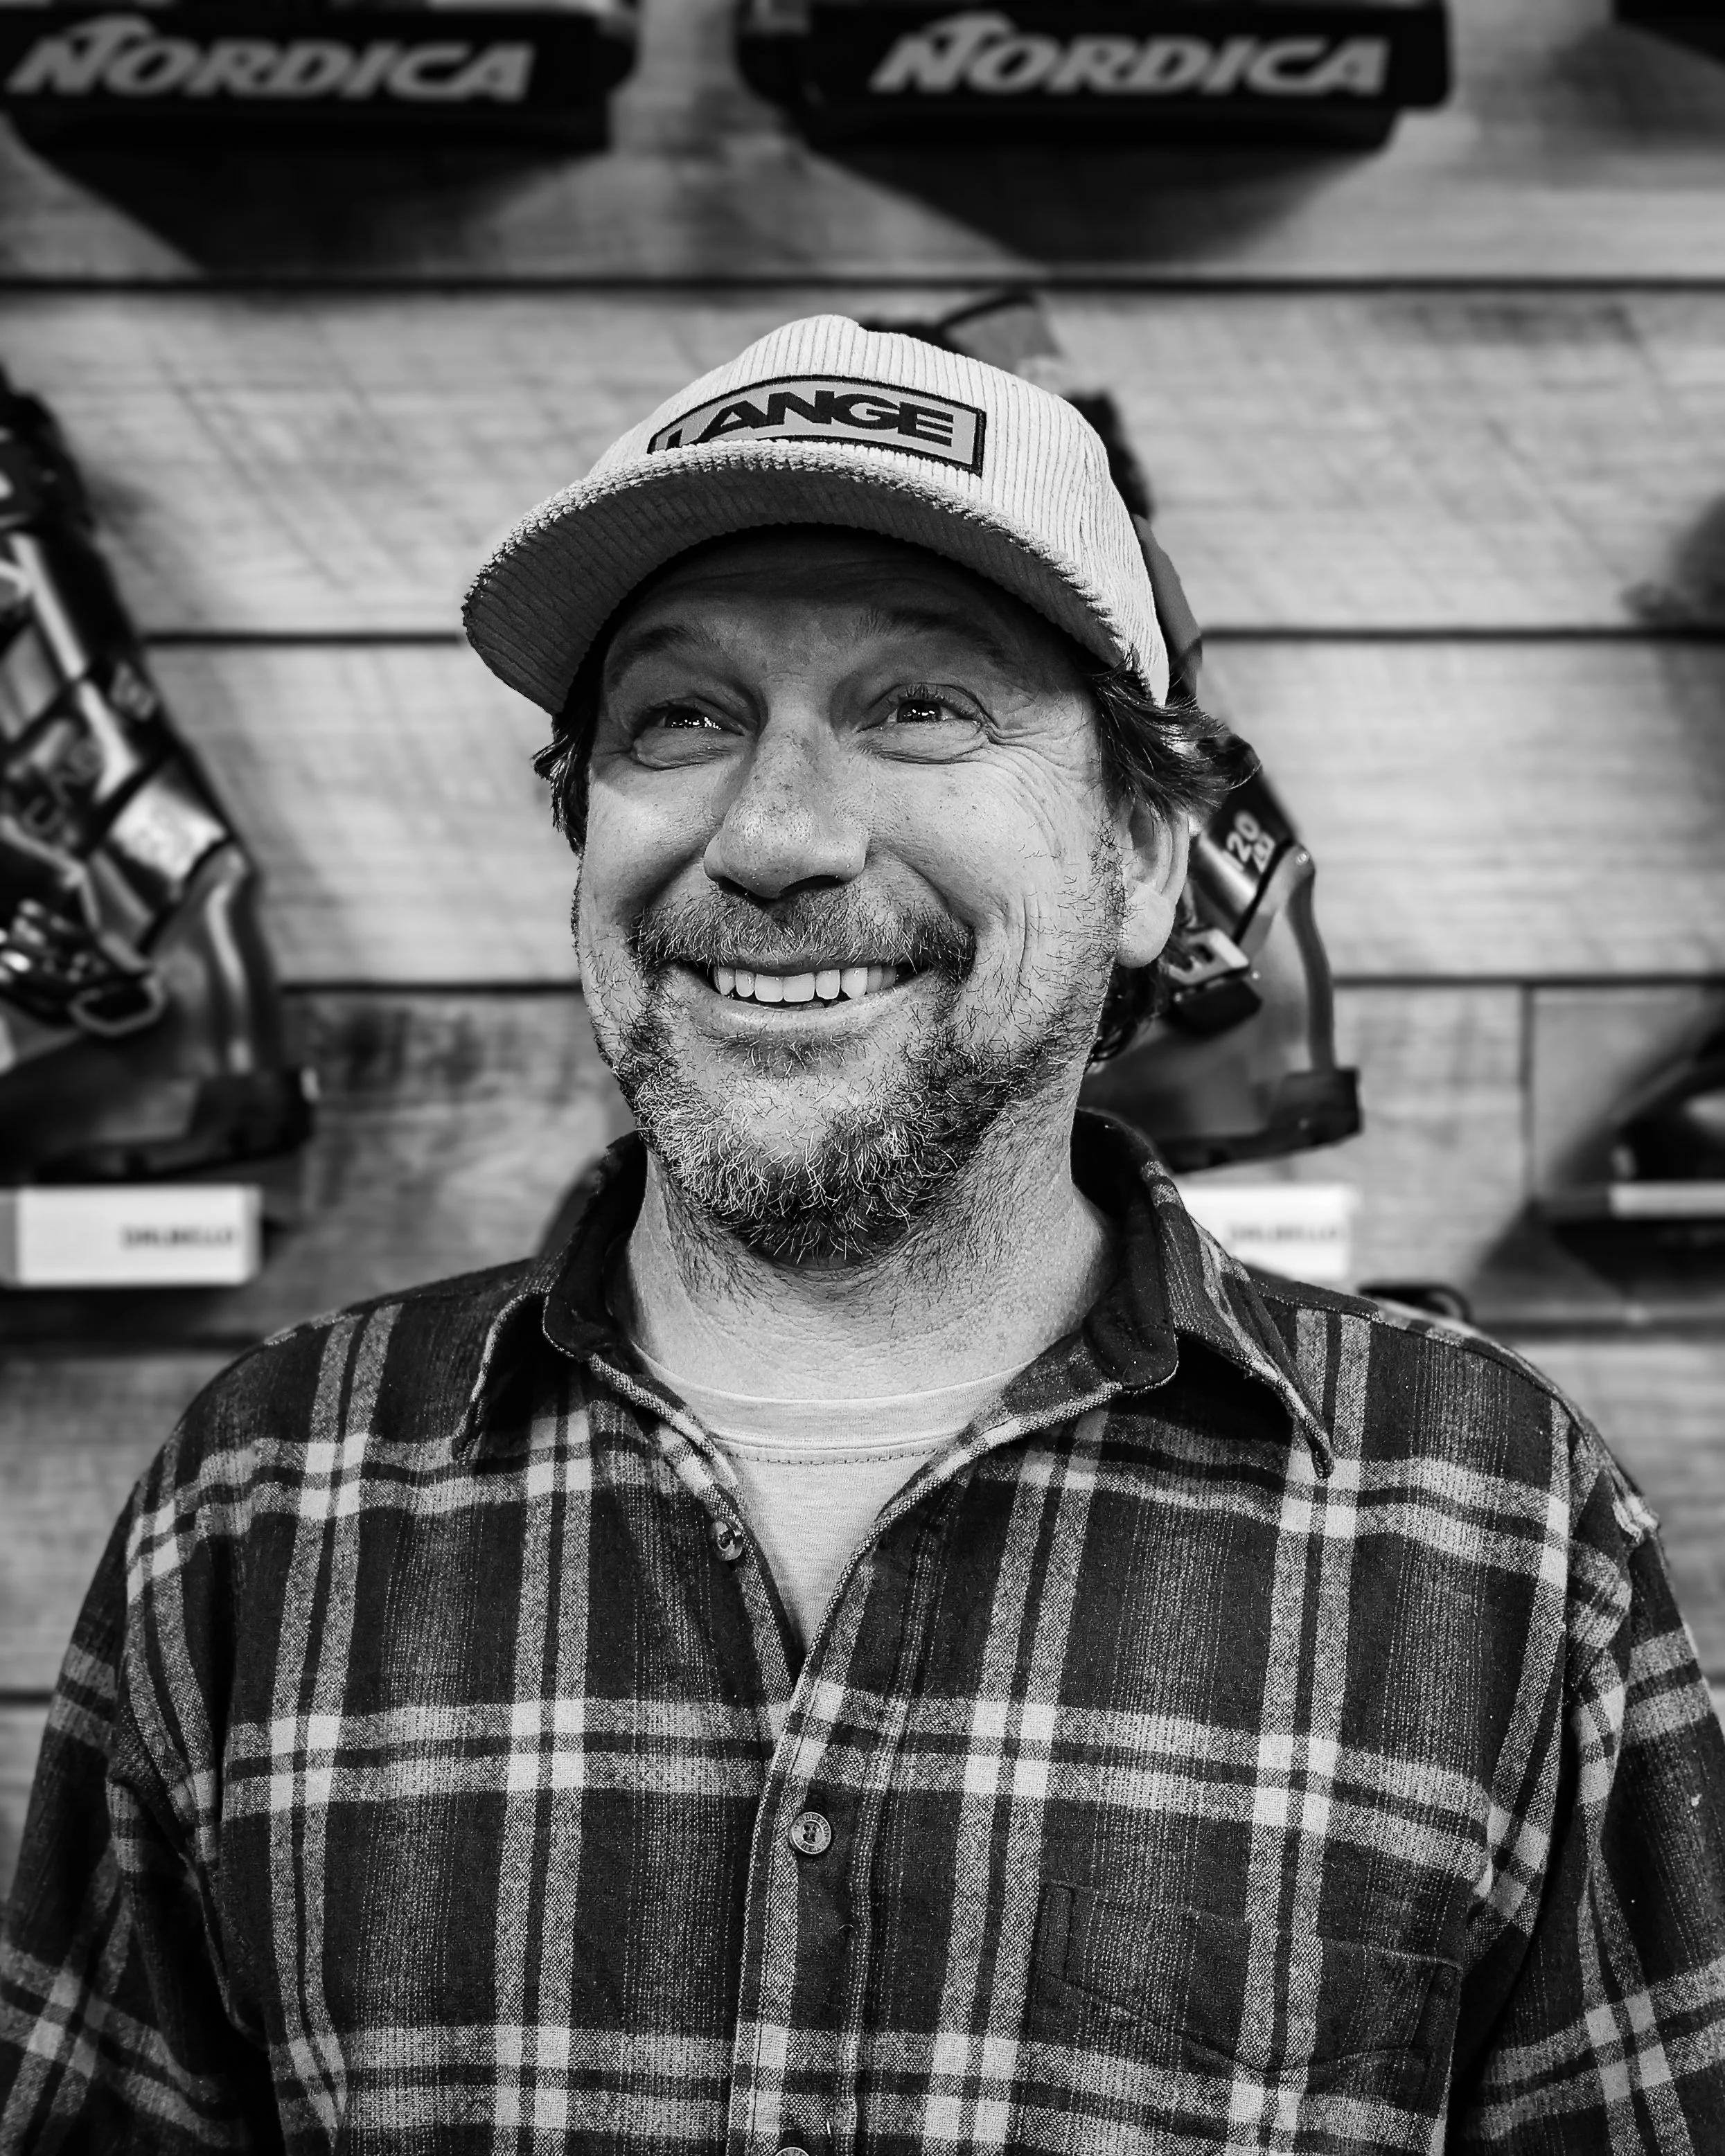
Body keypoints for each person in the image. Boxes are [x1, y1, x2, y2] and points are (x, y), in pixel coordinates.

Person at [3, 316, 1723, 2154]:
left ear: (1150, 861)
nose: (777, 836)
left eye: (924, 708)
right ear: (583, 829)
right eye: (682, 719)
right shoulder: (264, 1502)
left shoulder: (1488, 1520)